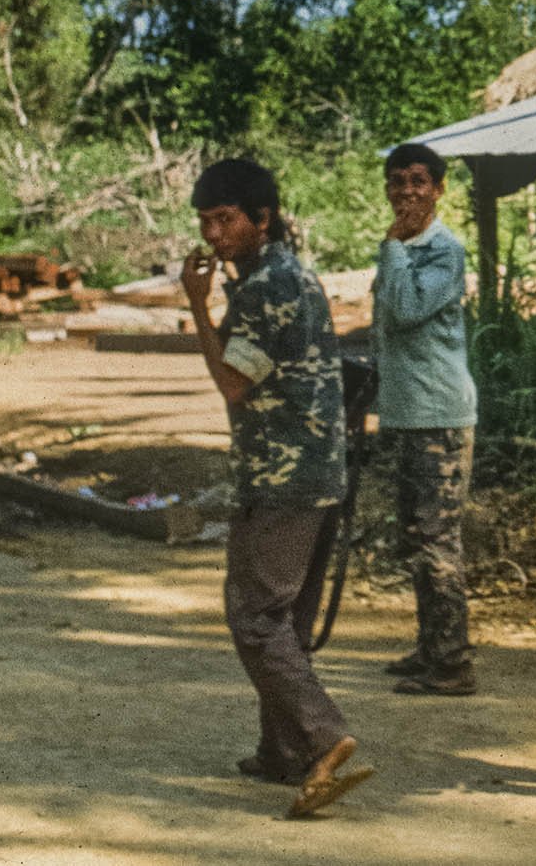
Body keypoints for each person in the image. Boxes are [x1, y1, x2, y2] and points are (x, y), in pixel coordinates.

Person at [182, 157, 372, 818]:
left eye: (225, 219)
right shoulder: (291, 273)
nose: (213, 234)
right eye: (206, 221)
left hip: (282, 476)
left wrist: (196, 307)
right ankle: (280, 749)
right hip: (317, 472)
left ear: (261, 217)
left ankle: (323, 739)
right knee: (283, 616)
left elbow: (233, 382)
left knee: (256, 617)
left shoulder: (266, 286)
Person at [370, 141, 480, 697]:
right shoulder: (398, 247)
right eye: (398, 181)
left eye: (419, 181)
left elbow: (409, 311)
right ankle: (431, 646)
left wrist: (393, 249)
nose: (407, 192)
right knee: (416, 536)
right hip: (410, 414)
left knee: (438, 540)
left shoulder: (443, 251)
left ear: (438, 189)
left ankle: (452, 663)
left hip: (439, 414)